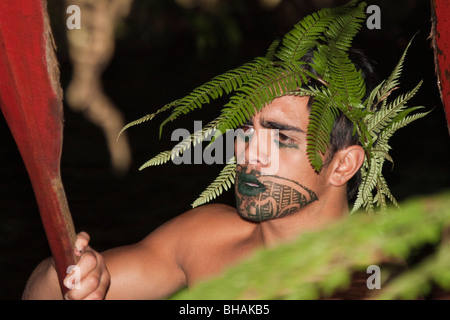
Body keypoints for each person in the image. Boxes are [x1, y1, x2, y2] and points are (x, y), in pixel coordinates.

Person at [21, 1, 424, 300]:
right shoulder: (205, 237)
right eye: (246, 129)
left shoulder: (373, 280)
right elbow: (41, 293)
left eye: (281, 138)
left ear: (344, 164)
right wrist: (80, 274)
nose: (249, 151)